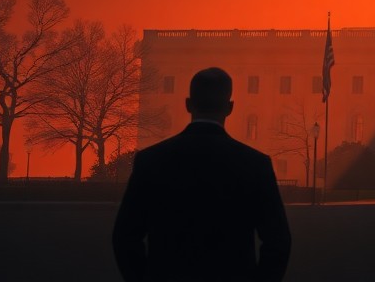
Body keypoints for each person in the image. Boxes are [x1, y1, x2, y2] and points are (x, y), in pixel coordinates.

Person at [113, 67, 291, 282]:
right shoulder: (255, 164)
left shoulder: (151, 160)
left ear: (188, 104)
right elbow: (278, 241)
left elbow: (125, 236)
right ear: (230, 108)